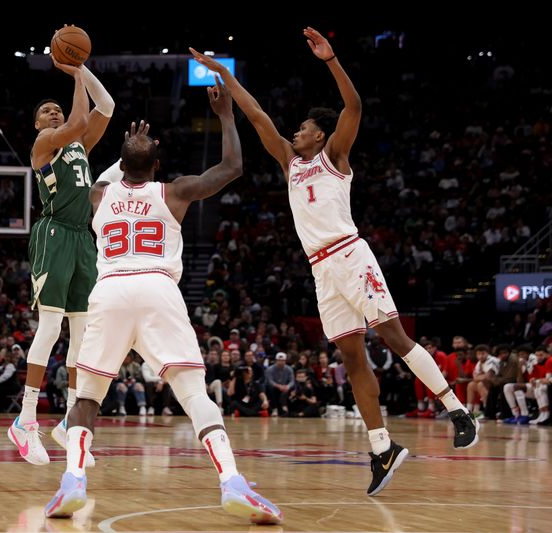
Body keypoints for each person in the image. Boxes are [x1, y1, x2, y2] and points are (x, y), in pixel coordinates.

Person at [191, 26, 478, 497]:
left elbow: (355, 108)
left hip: (349, 254)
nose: (295, 131)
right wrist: (224, 72)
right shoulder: (289, 161)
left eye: (303, 127)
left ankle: (457, 409)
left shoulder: (335, 157)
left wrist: (330, 60)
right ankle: (382, 448)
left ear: (319, 135)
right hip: (321, 269)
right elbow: (257, 115)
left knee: (393, 334)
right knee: (350, 355)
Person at [41, 82, 281, 525]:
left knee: (88, 397)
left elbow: (101, 179)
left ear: (122, 165)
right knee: (192, 394)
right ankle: (231, 480)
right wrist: (226, 115)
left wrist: (126, 153)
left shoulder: (98, 197)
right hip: (157, 289)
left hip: (109, 291)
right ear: (157, 164)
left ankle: (73, 479)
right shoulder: (174, 192)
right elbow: (232, 166)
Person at [9, 54, 114, 465]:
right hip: (52, 234)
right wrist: (72, 78)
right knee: (50, 326)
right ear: (38, 124)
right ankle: (25, 420)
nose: (53, 113)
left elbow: (105, 108)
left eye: (56, 108)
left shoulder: (79, 147)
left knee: (83, 335)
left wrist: (82, 71)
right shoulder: (44, 144)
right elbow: (78, 122)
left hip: (82, 239)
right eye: (45, 111)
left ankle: (70, 424)